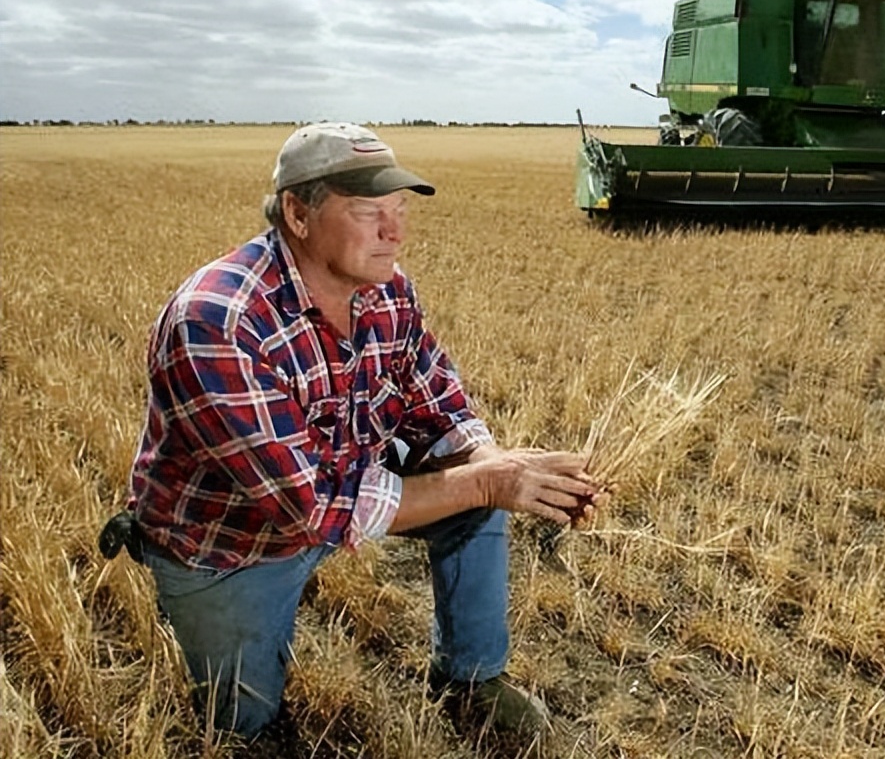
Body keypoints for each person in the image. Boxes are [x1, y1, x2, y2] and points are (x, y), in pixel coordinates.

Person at [115, 122, 600, 740]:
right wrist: (488, 480)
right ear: (297, 212)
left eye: (398, 209)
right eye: (369, 211)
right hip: (231, 542)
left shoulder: (388, 291)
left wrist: (497, 466)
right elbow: (307, 508)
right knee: (245, 725)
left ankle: (470, 680)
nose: (395, 231)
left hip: (343, 481)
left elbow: (439, 404)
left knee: (482, 486)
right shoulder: (219, 322)